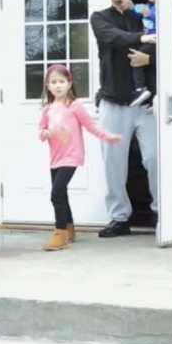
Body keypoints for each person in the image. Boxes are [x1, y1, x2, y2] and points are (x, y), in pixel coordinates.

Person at [89, 0, 159, 238]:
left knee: (154, 158)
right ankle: (119, 218)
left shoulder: (145, 16)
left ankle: (161, 213)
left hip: (146, 103)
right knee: (113, 163)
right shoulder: (100, 18)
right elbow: (112, 38)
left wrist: (150, 58)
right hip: (114, 101)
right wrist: (142, 39)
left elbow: (169, 46)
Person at [37, 65, 122, 251]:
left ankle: (60, 234)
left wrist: (109, 137)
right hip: (55, 158)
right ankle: (69, 228)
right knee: (62, 193)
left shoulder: (75, 106)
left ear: (69, 83)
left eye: (61, 81)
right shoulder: (47, 109)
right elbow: (41, 130)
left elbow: (91, 126)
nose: (58, 85)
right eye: (53, 82)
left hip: (72, 156)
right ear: (48, 86)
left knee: (56, 193)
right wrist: (43, 133)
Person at [127, 0, 157, 108]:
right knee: (150, 71)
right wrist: (130, 6)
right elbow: (135, 13)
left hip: (156, 42)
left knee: (138, 58)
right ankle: (152, 100)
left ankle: (139, 89)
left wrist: (149, 14)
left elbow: (161, 17)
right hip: (147, 41)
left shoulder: (159, 8)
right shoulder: (147, 6)